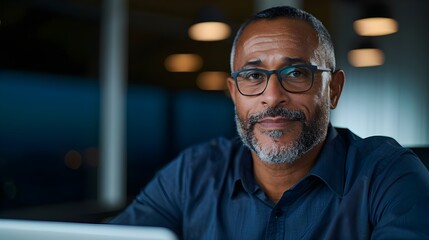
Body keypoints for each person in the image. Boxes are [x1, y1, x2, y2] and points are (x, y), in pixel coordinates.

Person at [110, 6, 429, 239]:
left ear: (333, 90)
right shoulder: (192, 175)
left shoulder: (389, 175)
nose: (272, 96)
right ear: (234, 94)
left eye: (296, 73)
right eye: (252, 76)